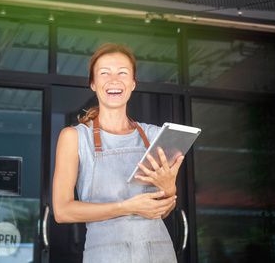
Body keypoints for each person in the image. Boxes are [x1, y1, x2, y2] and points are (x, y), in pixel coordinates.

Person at [52, 43, 183, 262]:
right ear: (93, 84)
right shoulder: (74, 137)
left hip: (158, 253)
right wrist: (126, 207)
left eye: (122, 73)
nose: (114, 80)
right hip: (105, 254)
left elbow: (162, 211)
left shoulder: (156, 135)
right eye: (104, 73)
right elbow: (62, 211)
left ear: (133, 83)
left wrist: (170, 190)